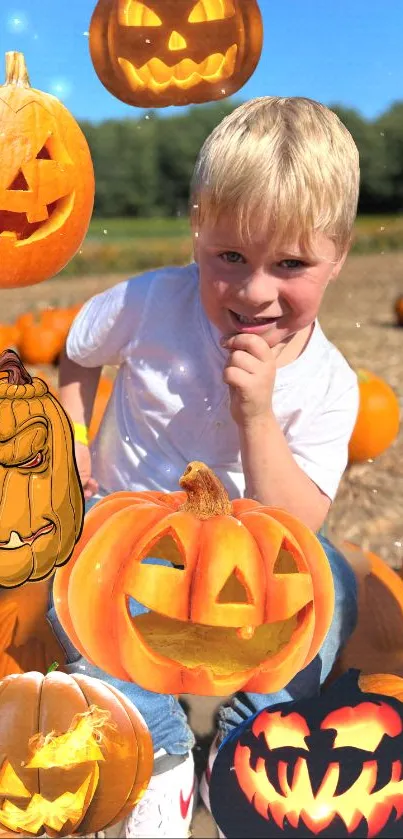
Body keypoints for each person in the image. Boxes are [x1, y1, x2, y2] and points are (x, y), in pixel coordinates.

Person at [48, 96, 360, 838]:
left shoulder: (329, 384)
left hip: (252, 563)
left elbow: (297, 522)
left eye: (289, 265)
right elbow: (77, 355)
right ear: (197, 230)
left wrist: (256, 413)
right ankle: (154, 744)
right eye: (229, 258)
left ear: (338, 254)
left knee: (329, 590)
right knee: (70, 587)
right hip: (130, 538)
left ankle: (252, 742)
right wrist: (74, 439)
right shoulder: (147, 303)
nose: (253, 291)